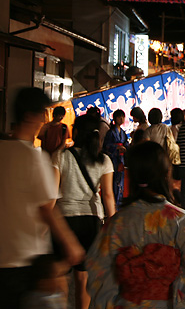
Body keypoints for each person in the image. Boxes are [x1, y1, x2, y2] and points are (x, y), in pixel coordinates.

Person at [86, 142, 185, 309]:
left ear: (131, 175)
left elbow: (99, 272)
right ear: (166, 174)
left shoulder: (116, 224)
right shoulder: (181, 220)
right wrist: (181, 296)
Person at [0, 87, 84, 308]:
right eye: (42, 114)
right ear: (31, 116)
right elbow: (47, 208)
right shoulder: (32, 157)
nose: (44, 121)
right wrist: (71, 245)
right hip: (24, 258)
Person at [53, 115, 116, 309]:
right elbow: (107, 195)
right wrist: (113, 225)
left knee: (60, 276)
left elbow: (52, 194)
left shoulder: (60, 156)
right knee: (83, 279)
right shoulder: (103, 160)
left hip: (64, 221)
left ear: (77, 132)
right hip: (91, 222)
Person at [103, 110, 129, 209]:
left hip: (121, 158)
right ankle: (114, 204)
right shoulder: (110, 132)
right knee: (114, 181)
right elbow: (107, 146)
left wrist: (125, 147)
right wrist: (117, 148)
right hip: (114, 159)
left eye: (123, 117)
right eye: (119, 117)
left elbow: (126, 143)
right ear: (115, 118)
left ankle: (119, 202)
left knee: (120, 181)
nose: (121, 119)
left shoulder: (123, 132)